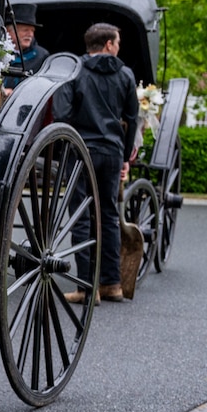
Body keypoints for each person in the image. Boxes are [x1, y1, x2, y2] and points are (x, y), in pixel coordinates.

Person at [57, 21, 141, 304]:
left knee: (81, 215)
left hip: (82, 150)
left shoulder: (75, 71)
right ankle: (111, 284)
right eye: (117, 42)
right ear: (108, 45)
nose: (119, 47)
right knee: (108, 215)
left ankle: (86, 287)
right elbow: (131, 118)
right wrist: (126, 155)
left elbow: (62, 113)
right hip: (112, 151)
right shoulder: (126, 75)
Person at [1, 2, 47, 86]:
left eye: (32, 31)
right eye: (25, 30)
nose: (30, 34)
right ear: (8, 31)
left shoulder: (42, 56)